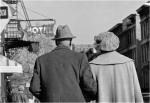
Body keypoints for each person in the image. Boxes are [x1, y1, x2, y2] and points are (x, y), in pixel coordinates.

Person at [29, 25, 97, 102]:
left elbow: (34, 88)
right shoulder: (80, 58)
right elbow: (90, 87)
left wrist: (47, 97)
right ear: (71, 41)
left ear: (56, 41)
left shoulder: (41, 60)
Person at [90, 32, 143, 103]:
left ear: (99, 45)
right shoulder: (128, 63)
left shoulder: (93, 65)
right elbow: (137, 92)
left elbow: (91, 94)